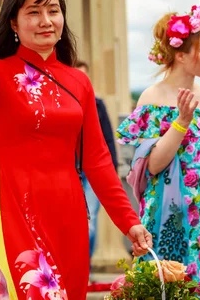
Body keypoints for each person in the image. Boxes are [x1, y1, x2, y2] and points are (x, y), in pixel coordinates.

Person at [0, 0, 151, 299]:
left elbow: (97, 161)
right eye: (34, 12)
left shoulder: (78, 81)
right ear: (13, 22)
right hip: (16, 203)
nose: (45, 21)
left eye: (53, 11)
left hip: (68, 210)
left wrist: (129, 222)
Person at [116, 6, 200, 299]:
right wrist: (181, 122)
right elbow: (154, 166)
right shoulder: (152, 97)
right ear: (181, 54)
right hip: (170, 219)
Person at [73, 60, 119, 260]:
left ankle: (86, 267)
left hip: (92, 171)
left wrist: (112, 171)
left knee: (89, 221)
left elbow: (107, 136)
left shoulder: (97, 104)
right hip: (69, 168)